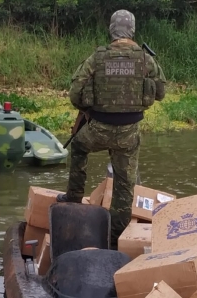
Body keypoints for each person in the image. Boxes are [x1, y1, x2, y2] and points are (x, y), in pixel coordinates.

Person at [57, 9, 167, 249]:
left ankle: (73, 198)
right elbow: (160, 92)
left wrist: (85, 107)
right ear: (133, 30)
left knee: (78, 146)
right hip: (128, 133)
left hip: (98, 128)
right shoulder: (145, 59)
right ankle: (117, 238)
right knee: (125, 183)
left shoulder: (98, 57)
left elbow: (75, 90)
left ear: (111, 30)